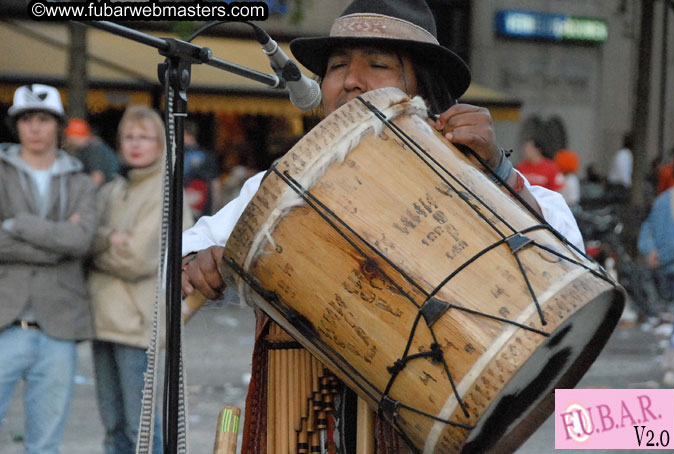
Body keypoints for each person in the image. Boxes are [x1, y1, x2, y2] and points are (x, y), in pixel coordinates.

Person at [180, 0, 584, 452]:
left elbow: (568, 274)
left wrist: (499, 177)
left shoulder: (487, 175)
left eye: (378, 64)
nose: (351, 80)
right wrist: (199, 263)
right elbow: (181, 258)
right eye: (337, 67)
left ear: (424, 90)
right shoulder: (279, 188)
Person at [87, 106, 193, 454]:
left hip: (138, 325)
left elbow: (135, 258)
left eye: (144, 137)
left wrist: (98, 242)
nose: (135, 144)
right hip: (101, 320)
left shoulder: (166, 193)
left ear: (161, 144)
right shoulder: (114, 190)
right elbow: (82, 240)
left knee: (141, 430)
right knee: (113, 427)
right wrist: (107, 238)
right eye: (128, 137)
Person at [0, 84, 97, 454]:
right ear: (17, 126)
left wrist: (17, 224)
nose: (35, 128)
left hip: (58, 326)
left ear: (58, 125)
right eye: (27, 119)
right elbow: (65, 243)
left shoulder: (81, 182)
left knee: (44, 445)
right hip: (4, 321)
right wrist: (56, 243)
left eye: (43, 119)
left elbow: (80, 242)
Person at [637, 186, 674, 385]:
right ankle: (672, 365)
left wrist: (651, 249)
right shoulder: (664, 201)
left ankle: (673, 365)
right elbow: (649, 228)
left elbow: (648, 228)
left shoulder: (664, 199)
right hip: (668, 266)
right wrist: (650, 249)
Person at [64, 118, 120, 186]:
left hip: (109, 191)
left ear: (74, 136)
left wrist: (81, 194)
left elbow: (97, 178)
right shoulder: (91, 146)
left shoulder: (93, 148)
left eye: (68, 136)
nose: (67, 141)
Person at [183, 120, 220, 219]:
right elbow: (215, 184)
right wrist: (214, 210)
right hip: (203, 207)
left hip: (187, 203)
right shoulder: (207, 155)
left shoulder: (177, 155)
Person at [606, 132, 634, 202]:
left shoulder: (624, 154)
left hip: (619, 185)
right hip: (618, 187)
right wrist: (629, 186)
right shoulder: (623, 154)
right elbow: (623, 173)